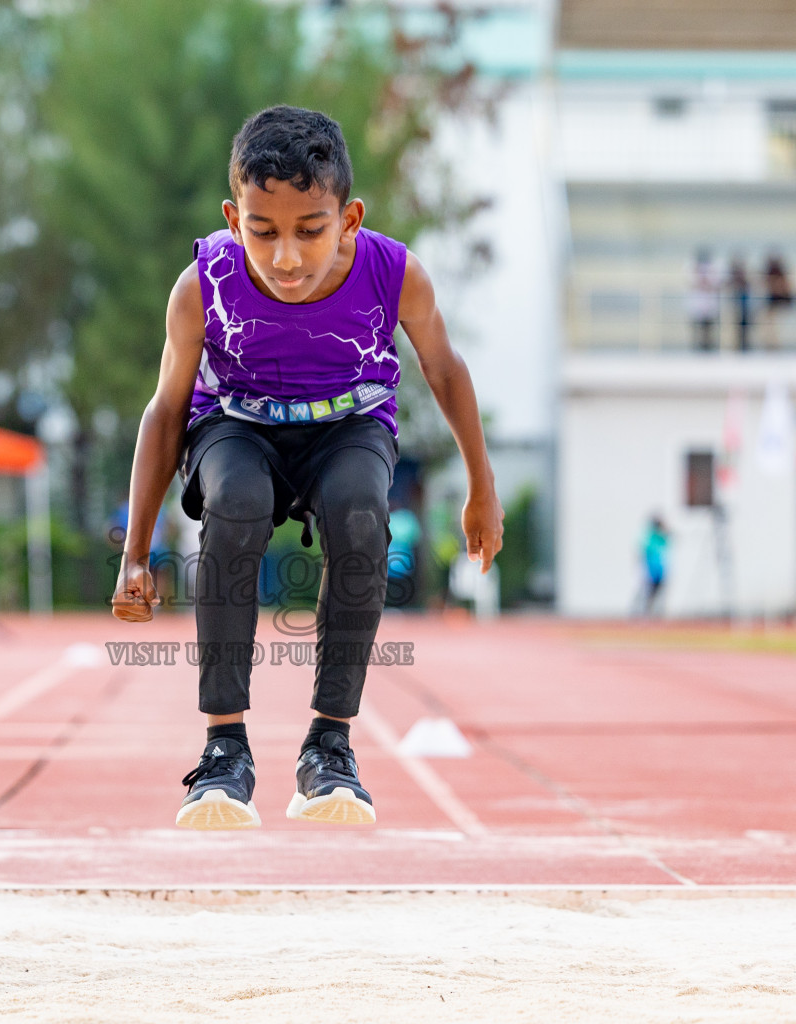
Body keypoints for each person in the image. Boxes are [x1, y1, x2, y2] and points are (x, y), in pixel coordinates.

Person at [110, 106, 503, 830]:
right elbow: (165, 412)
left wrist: (483, 488)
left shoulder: (395, 274)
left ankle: (329, 747)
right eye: (263, 232)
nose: (286, 257)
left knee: (361, 510)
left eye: (309, 230)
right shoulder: (202, 286)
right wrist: (136, 553)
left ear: (349, 218)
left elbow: (444, 369)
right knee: (235, 504)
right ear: (234, 219)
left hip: (347, 426)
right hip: (237, 426)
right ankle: (224, 750)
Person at [687, 248, 720, 352]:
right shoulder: (692, 267)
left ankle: (708, 346)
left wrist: (707, 284)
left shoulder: (713, 267)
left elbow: (715, 282)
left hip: (709, 302)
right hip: (697, 301)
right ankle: (696, 346)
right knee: (696, 326)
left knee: (708, 327)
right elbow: (690, 282)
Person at [636, 514, 669, 618]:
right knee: (648, 593)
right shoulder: (650, 537)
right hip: (651, 570)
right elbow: (644, 553)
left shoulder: (660, 537)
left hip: (660, 570)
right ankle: (644, 613)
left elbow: (669, 539)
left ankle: (655, 614)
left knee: (658, 593)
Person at [763, 251, 794, 350]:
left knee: (775, 324)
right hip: (773, 306)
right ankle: (772, 344)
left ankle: (775, 345)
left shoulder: (781, 274)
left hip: (783, 305)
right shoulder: (770, 273)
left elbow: (784, 289)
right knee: (769, 324)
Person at [728, 256, 753, 352]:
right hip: (734, 306)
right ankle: (735, 346)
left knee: (745, 327)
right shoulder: (732, 276)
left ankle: (745, 345)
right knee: (734, 327)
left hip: (745, 306)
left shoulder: (746, 277)